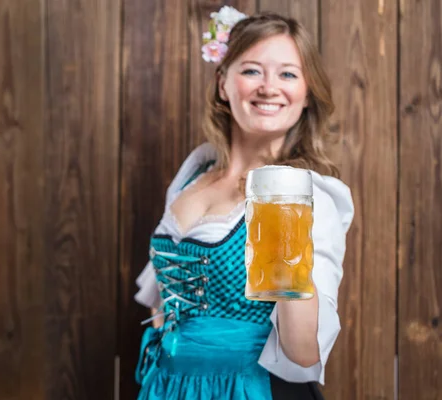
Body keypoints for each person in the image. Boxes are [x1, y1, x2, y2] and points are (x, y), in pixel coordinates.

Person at [133, 9, 354, 400]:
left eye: (288, 74)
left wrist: (283, 238)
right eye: (252, 70)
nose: (269, 87)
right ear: (223, 84)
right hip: (170, 386)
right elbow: (161, 301)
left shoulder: (309, 196)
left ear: (306, 95)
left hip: (253, 389)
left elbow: (303, 353)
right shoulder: (193, 174)